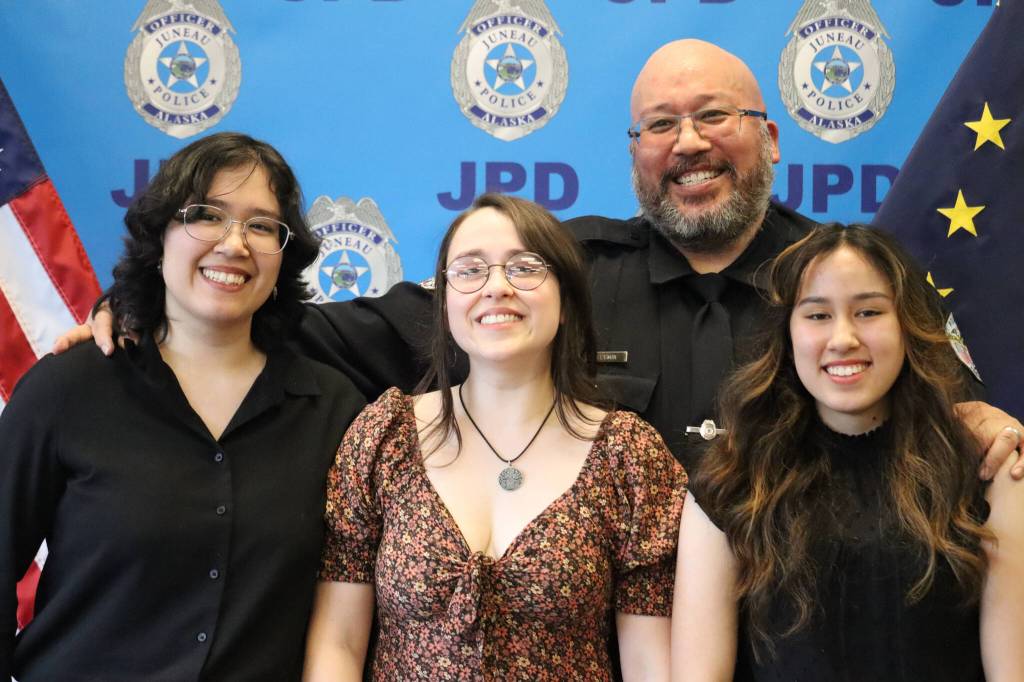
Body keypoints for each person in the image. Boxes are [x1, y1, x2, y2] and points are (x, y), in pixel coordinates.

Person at [56, 42, 1024, 473]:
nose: (686, 142)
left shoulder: (854, 282)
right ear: (633, 152)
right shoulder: (551, 275)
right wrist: (157, 306)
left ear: (770, 136)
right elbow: (332, 332)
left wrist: (979, 420)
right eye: (658, 124)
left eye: (712, 117)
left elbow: (954, 412)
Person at [0, 133, 365, 680]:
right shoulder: (67, 390)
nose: (235, 244)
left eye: (262, 226)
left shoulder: (335, 411)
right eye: (208, 216)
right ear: (161, 235)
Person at [302, 194, 687, 681]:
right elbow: (338, 642)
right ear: (444, 303)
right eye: (469, 270)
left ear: (566, 300)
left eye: (525, 268)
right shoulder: (384, 436)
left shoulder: (629, 456)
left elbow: (651, 664)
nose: (497, 287)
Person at [671, 224, 1024, 681]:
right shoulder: (729, 481)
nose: (843, 338)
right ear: (787, 334)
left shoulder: (987, 469)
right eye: (817, 315)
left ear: (907, 326)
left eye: (869, 312)